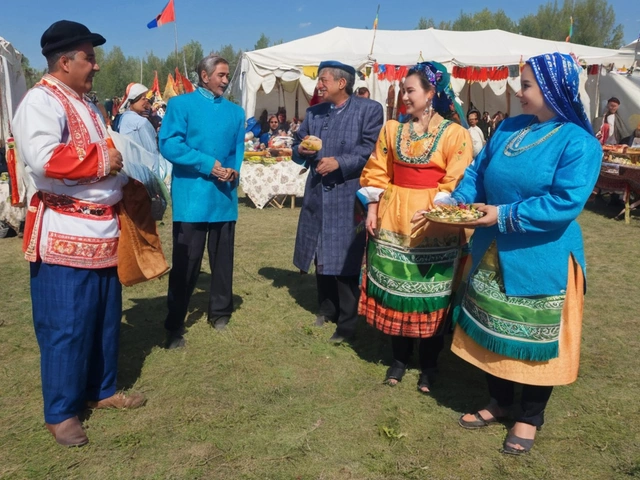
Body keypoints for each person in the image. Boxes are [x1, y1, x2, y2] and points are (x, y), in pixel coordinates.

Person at [446, 53, 601, 455]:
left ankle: (529, 416)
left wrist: (503, 215)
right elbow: (478, 172)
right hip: (492, 248)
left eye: (527, 84)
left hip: (540, 254)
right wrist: (460, 201)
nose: (519, 91)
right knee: (492, 329)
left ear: (553, 89)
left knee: (534, 337)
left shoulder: (579, 143)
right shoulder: (510, 127)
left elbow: (565, 203)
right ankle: (498, 401)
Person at [12, 19, 145, 448]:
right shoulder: (40, 101)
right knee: (65, 325)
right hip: (65, 232)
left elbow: (115, 152)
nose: (97, 65)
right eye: (89, 57)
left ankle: (101, 390)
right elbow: (45, 158)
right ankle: (61, 411)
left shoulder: (87, 103)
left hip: (103, 229)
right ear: (65, 61)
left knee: (105, 318)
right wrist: (104, 161)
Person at [359, 61, 473, 393]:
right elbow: (378, 169)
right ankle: (398, 359)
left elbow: (457, 179)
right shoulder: (392, 129)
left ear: (431, 93)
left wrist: (439, 209)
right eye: (404, 90)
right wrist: (372, 206)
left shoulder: (455, 134)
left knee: (432, 294)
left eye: (410, 90)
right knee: (396, 288)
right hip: (393, 216)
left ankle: (429, 365)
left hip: (433, 222)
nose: (404, 96)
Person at [292, 60, 383, 343]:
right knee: (320, 251)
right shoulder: (314, 113)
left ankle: (347, 321)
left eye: (323, 80)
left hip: (348, 194)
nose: (319, 85)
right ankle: (326, 308)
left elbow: (370, 150)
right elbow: (297, 148)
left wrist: (339, 162)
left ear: (341, 83)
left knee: (345, 256)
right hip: (319, 192)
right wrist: (303, 149)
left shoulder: (369, 110)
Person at [159, 54, 245, 349]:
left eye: (227, 75)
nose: (225, 80)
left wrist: (234, 170)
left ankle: (220, 311)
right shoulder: (180, 105)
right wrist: (208, 164)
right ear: (204, 76)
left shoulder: (236, 112)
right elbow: (170, 144)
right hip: (192, 198)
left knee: (223, 261)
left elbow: (237, 149)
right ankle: (175, 322)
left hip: (223, 197)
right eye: (221, 75)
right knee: (186, 263)